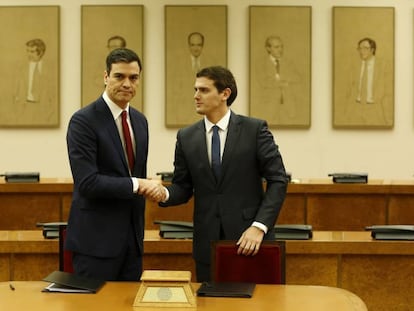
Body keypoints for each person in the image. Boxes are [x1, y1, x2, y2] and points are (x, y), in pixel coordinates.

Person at [153, 66, 288, 282]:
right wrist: (164, 194)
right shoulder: (186, 137)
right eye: (195, 90)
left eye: (204, 90)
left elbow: (278, 180)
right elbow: (183, 186)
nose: (196, 96)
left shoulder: (254, 130)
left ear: (225, 94)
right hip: (207, 244)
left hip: (251, 240)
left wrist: (259, 226)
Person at [65, 48, 160, 281]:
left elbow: (134, 173)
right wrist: (138, 184)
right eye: (119, 76)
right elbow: (87, 182)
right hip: (95, 244)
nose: (127, 84)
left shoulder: (140, 121)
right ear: (106, 76)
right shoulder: (83, 121)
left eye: (134, 78)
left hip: (133, 242)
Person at [252, 35, 306, 126]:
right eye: (277, 47)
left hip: (288, 106)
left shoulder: (288, 63)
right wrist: (282, 83)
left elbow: (298, 77)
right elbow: (263, 82)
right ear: (268, 48)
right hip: (269, 106)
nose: (280, 49)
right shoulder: (261, 64)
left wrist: (281, 79)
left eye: (281, 46)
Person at [341, 37, 393, 126]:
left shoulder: (383, 65)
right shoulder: (354, 65)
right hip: (356, 108)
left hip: (375, 109)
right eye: (360, 48)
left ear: (372, 50)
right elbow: (348, 89)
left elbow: (389, 91)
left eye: (365, 48)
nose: (361, 51)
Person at [12, 38, 57, 125]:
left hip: (43, 110)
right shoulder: (21, 68)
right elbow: (15, 90)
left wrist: (50, 112)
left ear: (40, 53)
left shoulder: (50, 69)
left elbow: (53, 94)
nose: (29, 54)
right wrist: (17, 106)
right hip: (24, 108)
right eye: (28, 51)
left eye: (32, 51)